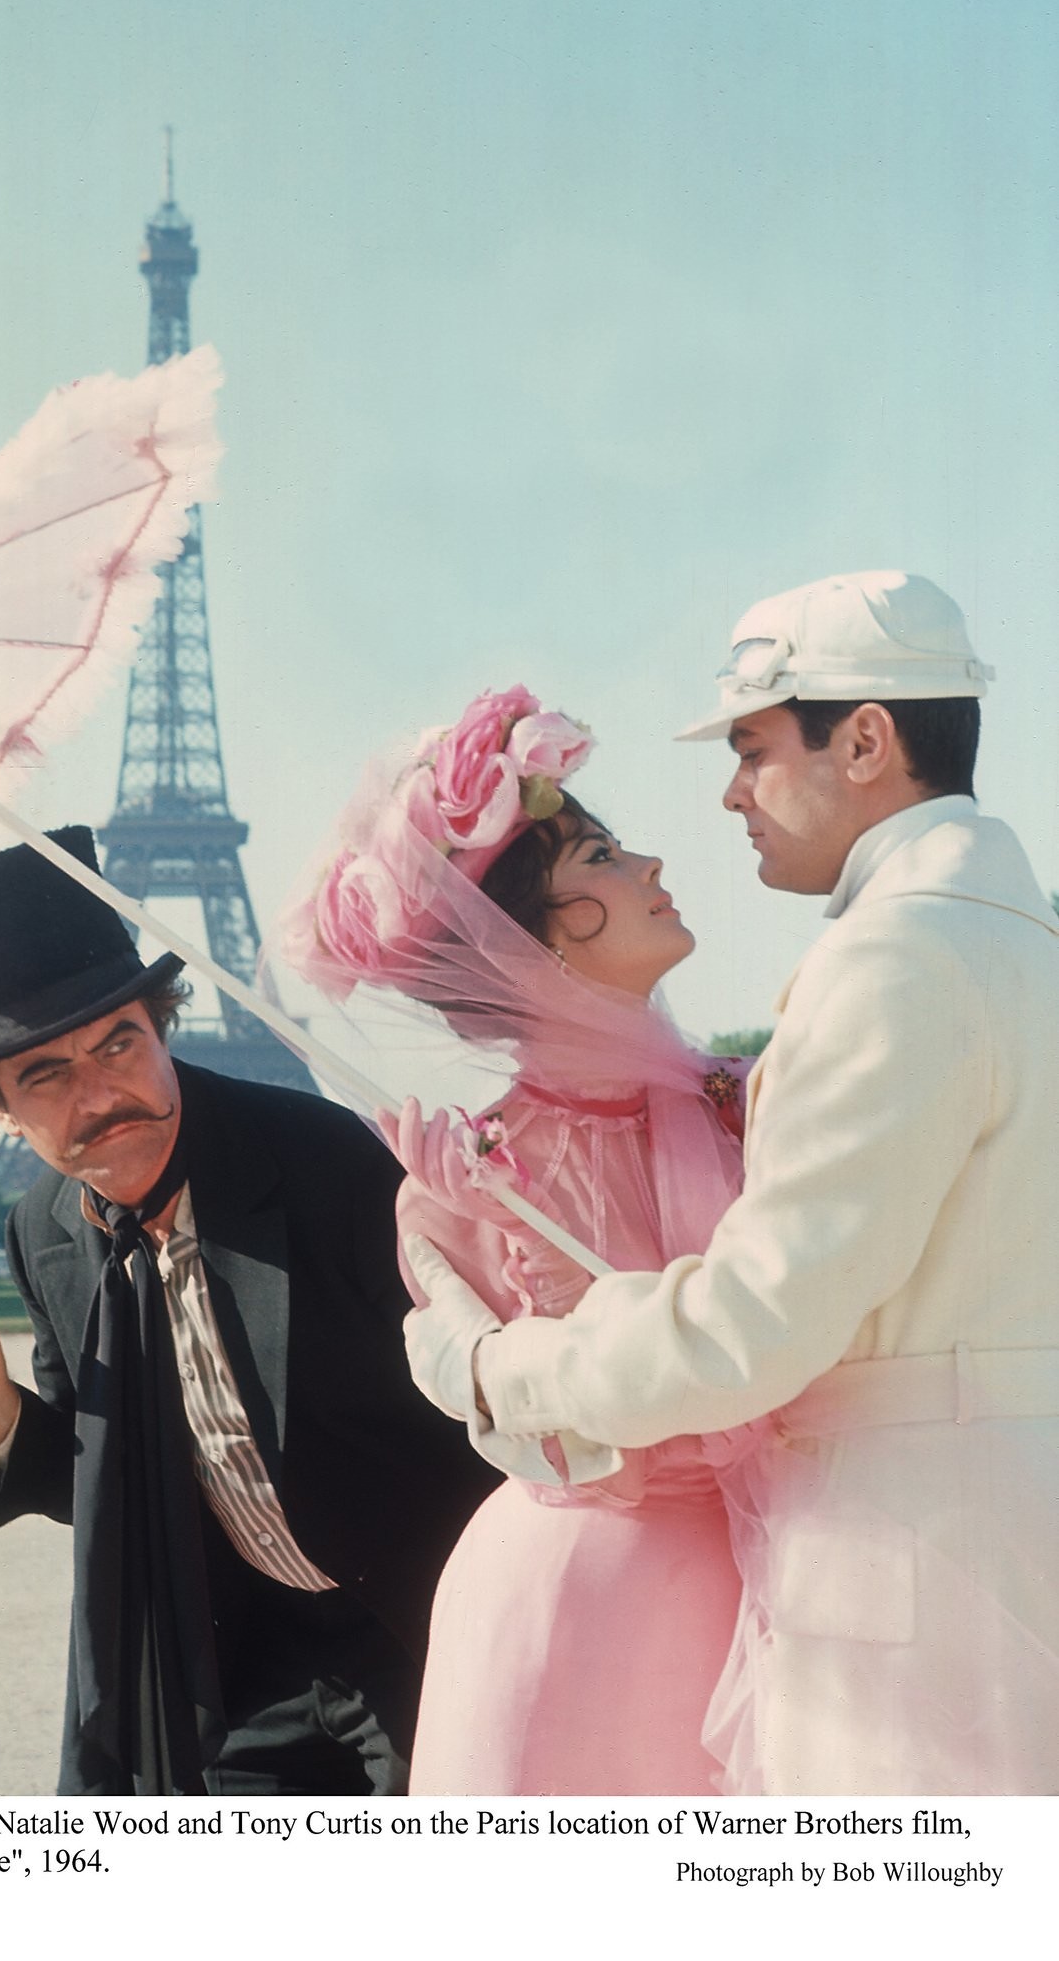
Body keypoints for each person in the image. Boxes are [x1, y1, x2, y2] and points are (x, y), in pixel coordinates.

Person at [405, 572, 1059, 1794]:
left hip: (904, 1580)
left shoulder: (891, 959)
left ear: (863, 740)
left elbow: (753, 1324)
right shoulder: (1022, 938)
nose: (729, 791)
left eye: (752, 749)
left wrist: (506, 1369)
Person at [0, 826, 494, 1796]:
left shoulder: (332, 1164)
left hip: (423, 1628)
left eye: (118, 1044)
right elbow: (109, 1488)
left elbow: (488, 1405)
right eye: (46, 1075)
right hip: (238, 1670)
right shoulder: (43, 1230)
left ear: (163, 1027)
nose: (101, 1093)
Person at [273, 686, 755, 1793]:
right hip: (579, 1596)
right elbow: (482, 1395)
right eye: (602, 856)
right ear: (527, 945)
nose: (651, 864)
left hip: (767, 1571)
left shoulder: (746, 1104)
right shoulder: (473, 1175)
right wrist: (495, 1255)